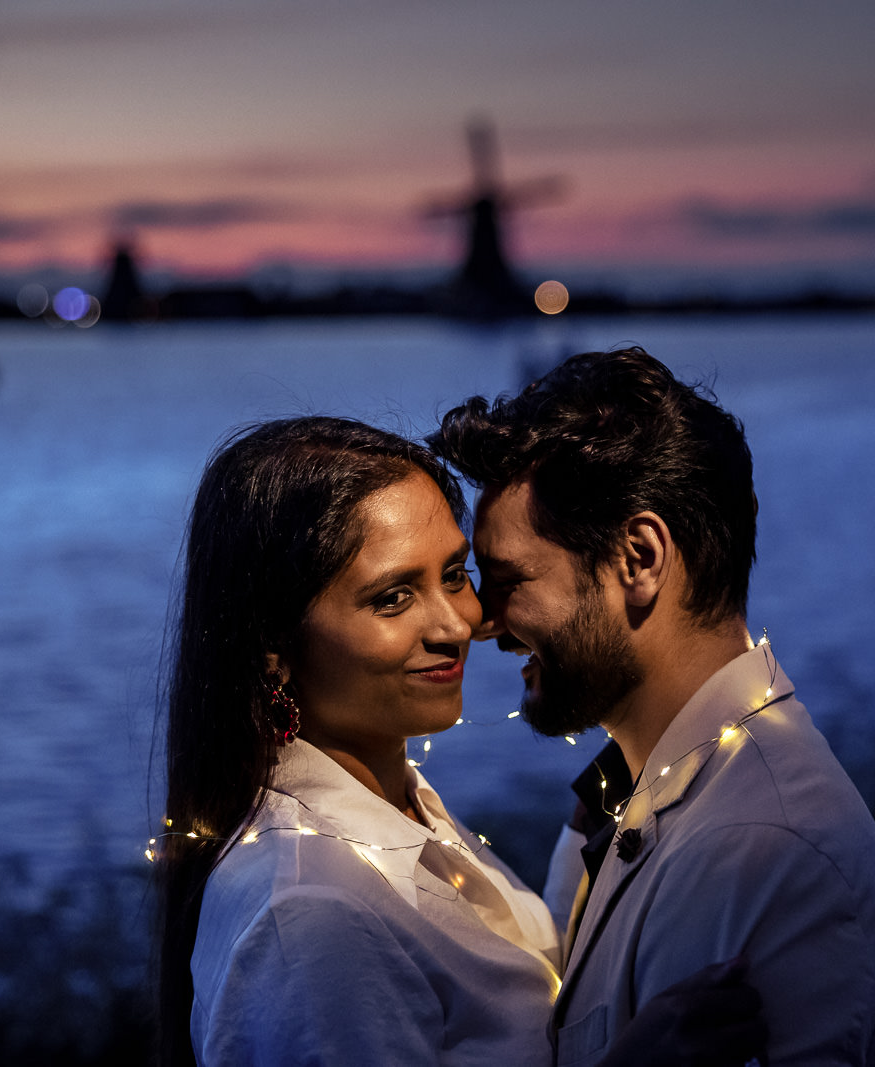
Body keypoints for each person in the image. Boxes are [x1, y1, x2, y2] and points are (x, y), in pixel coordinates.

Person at [154, 415, 763, 1066]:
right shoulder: (314, 919)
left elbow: (507, 1010)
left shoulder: (391, 807)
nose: (458, 623)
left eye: (452, 574)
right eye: (392, 597)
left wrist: (580, 846)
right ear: (274, 649)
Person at [432, 348, 875, 1066]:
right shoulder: (635, 795)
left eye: (508, 579)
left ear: (638, 558)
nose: (483, 621)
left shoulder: (763, 853)